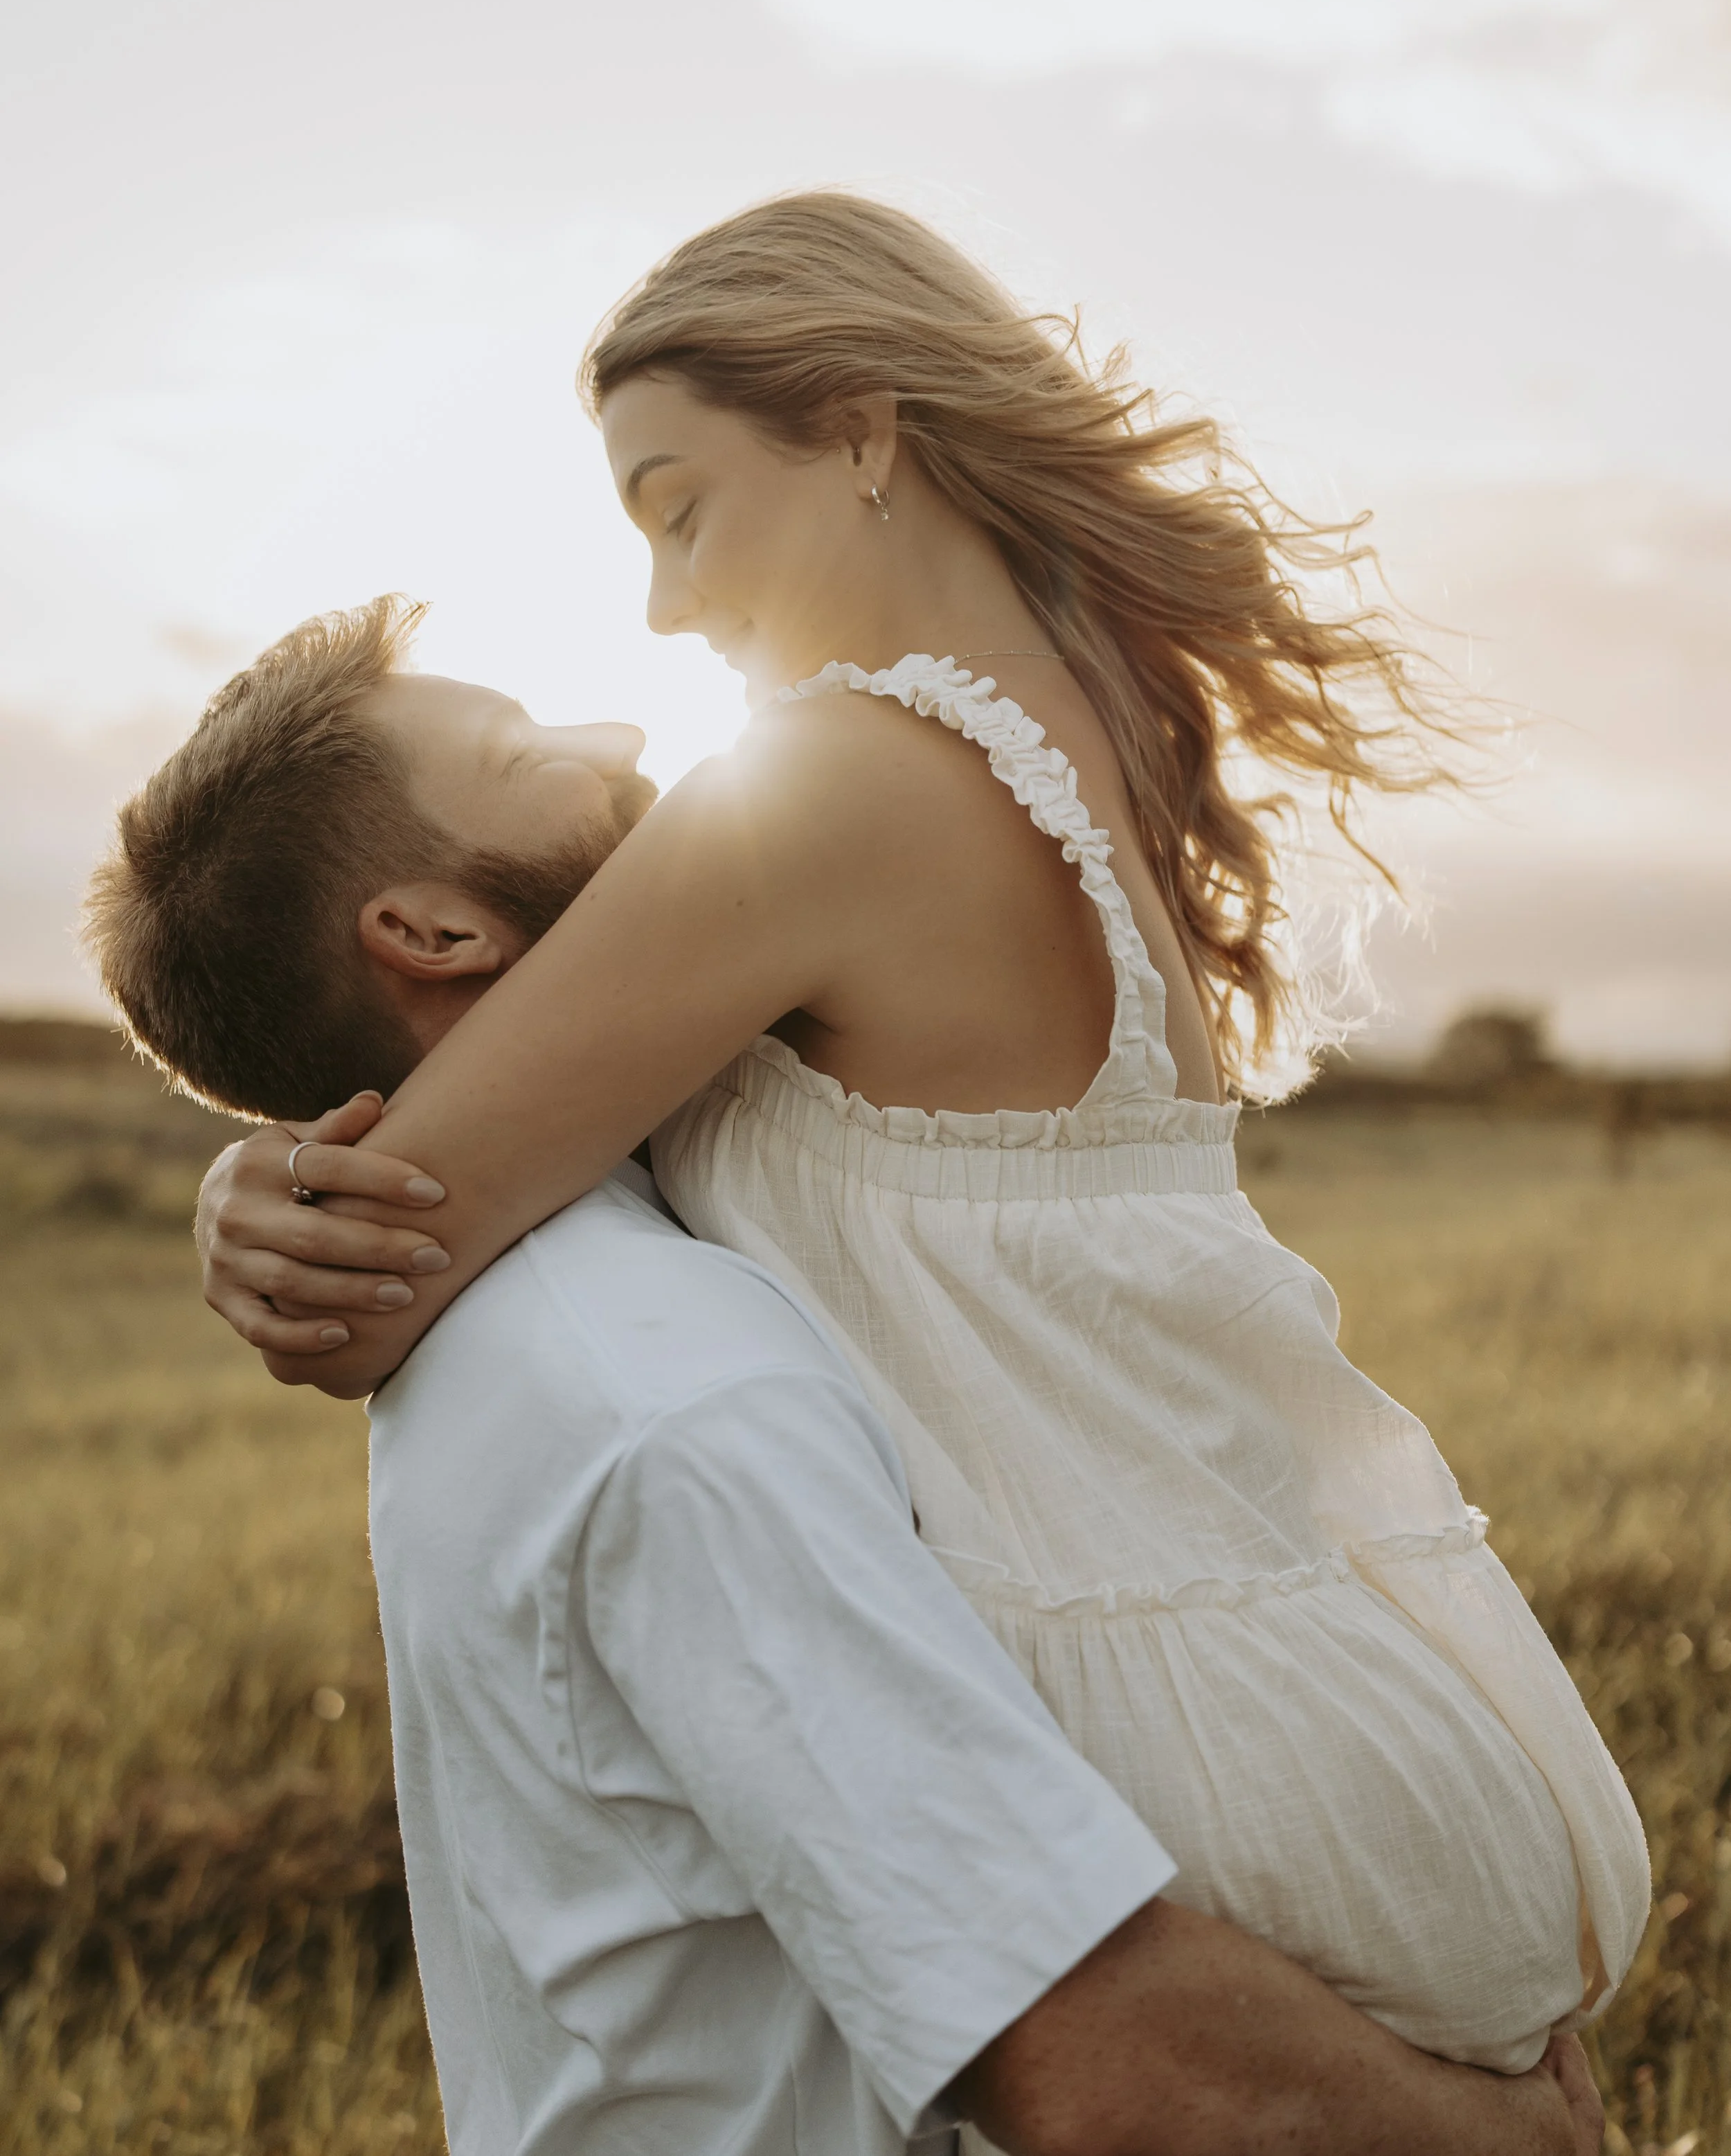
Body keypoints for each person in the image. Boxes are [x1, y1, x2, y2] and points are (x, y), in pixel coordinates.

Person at [184, 193, 1648, 2069]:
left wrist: (256, 1198)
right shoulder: (1077, 759)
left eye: (676, 504)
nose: (660, 603)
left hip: (1183, 1759)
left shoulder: (833, 791)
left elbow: (379, 1255)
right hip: (1335, 1695)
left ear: (863, 428)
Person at [84, 601, 1606, 2156]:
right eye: (523, 753)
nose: (614, 737)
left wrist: (264, 1176)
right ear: (432, 935)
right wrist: (1500, 2137)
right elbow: (1071, 2036)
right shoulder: (665, 1394)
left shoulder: (542, 1282)